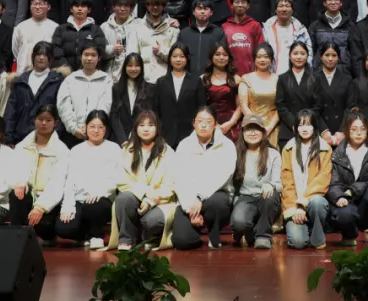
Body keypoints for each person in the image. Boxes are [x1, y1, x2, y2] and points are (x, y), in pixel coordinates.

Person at [109, 110, 177, 251]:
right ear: (136, 128)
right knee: (123, 198)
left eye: (150, 125)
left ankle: (148, 235)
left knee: (152, 221)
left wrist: (150, 200)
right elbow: (121, 181)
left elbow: (171, 185)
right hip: (136, 196)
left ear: (157, 128)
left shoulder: (168, 152)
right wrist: (145, 193)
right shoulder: (127, 151)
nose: (146, 129)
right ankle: (127, 239)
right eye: (142, 125)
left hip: (160, 201)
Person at [172, 106, 236, 250]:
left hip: (215, 196)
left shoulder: (227, 145)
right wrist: (190, 208)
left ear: (215, 124)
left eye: (208, 121)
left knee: (217, 203)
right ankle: (195, 230)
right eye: (200, 121)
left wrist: (200, 197)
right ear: (193, 123)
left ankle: (214, 233)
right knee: (182, 242)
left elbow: (223, 176)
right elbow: (179, 178)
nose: (203, 125)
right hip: (189, 199)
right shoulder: (184, 145)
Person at [57, 110, 120, 250]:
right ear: (85, 127)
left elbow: (118, 177)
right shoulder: (76, 150)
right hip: (80, 199)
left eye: (100, 127)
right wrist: (68, 206)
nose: (96, 130)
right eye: (92, 126)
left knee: (94, 206)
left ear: (106, 129)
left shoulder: (114, 149)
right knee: (63, 229)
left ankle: (97, 235)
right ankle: (85, 235)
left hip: (102, 199)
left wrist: (101, 192)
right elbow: (70, 181)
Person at [327, 110, 368, 248]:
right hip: (346, 201)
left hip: (367, 204)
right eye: (354, 129)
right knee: (344, 216)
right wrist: (339, 196)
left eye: (362, 129)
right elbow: (333, 183)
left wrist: (354, 190)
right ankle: (349, 235)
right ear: (347, 131)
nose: (359, 133)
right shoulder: (337, 153)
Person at [11, 104, 70, 245]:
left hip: (48, 203)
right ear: (34, 120)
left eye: (48, 120)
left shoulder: (62, 151)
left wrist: (40, 207)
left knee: (44, 226)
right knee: (16, 194)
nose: (43, 123)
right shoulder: (22, 146)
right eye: (40, 119)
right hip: (28, 197)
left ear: (55, 123)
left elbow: (57, 183)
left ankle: (42, 236)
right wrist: (20, 182)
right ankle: (18, 237)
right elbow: (14, 171)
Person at [281, 110, 333, 249]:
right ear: (295, 128)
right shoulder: (288, 149)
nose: (305, 129)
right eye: (301, 125)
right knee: (297, 242)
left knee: (317, 202)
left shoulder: (325, 148)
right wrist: (295, 208)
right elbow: (287, 182)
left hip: (313, 202)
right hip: (294, 205)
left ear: (315, 127)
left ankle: (317, 236)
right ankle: (305, 228)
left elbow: (322, 180)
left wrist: (303, 204)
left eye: (309, 125)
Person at [230, 115, 283, 250]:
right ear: (242, 132)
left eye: (256, 129)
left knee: (270, 196)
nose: (252, 133)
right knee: (239, 222)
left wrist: (270, 185)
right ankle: (250, 233)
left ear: (263, 132)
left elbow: (279, 184)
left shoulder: (273, 154)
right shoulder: (235, 154)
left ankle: (263, 236)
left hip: (266, 198)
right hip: (245, 197)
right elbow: (231, 184)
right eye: (248, 129)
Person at [5, 42, 64, 144]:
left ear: (50, 58)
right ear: (33, 57)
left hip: (47, 139)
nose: (41, 58)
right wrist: (8, 137)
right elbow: (11, 111)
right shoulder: (20, 81)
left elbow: (61, 112)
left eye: (45, 55)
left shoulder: (57, 81)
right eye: (38, 54)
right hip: (20, 138)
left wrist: (56, 136)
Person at [152, 43, 208, 148]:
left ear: (187, 58)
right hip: (165, 135)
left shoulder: (196, 81)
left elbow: (201, 108)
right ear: (169, 58)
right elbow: (156, 110)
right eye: (174, 56)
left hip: (190, 134)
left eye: (182, 56)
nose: (178, 59)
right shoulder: (161, 82)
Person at [57, 43, 112, 147]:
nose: (89, 58)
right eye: (86, 55)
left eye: (93, 55)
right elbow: (63, 105)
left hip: (97, 134)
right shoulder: (70, 80)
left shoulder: (106, 80)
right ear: (80, 56)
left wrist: (92, 127)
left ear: (99, 58)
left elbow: (106, 105)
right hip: (72, 135)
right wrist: (74, 128)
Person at [51, 0, 111, 72]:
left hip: (89, 71)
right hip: (65, 71)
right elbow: (56, 50)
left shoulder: (96, 30)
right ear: (71, 9)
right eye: (76, 6)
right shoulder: (61, 29)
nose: (79, 9)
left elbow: (100, 51)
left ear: (89, 10)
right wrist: (66, 68)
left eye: (83, 6)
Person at [275, 42, 317, 149]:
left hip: (310, 127)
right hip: (288, 128)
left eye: (302, 53)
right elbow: (281, 106)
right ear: (290, 56)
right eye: (295, 53)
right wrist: (294, 123)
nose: (299, 57)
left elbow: (318, 105)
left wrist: (305, 122)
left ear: (307, 56)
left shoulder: (315, 78)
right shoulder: (282, 78)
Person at [133, 0, 179, 83]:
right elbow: (132, 54)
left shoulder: (173, 27)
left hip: (165, 78)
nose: (155, 7)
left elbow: (176, 56)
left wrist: (161, 51)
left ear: (163, 6)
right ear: (147, 6)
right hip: (143, 78)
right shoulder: (137, 26)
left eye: (158, 4)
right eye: (152, 4)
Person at [239, 43, 280, 145]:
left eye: (266, 57)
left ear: (271, 59)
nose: (262, 60)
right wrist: (256, 125)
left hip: (273, 127)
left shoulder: (278, 79)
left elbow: (281, 106)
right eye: (259, 57)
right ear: (254, 59)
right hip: (251, 126)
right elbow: (243, 106)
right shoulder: (246, 78)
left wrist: (269, 127)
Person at [313, 43, 352, 146]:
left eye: (334, 55)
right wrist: (324, 131)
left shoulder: (347, 79)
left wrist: (342, 131)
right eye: (327, 55)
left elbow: (350, 107)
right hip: (320, 131)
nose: (330, 59)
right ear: (321, 57)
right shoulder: (313, 79)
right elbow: (312, 108)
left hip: (341, 132)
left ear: (338, 57)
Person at [110, 54, 153, 144]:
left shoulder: (150, 89)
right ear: (124, 67)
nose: (133, 69)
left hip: (142, 138)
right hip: (120, 139)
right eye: (130, 65)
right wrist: (122, 139)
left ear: (141, 67)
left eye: (137, 65)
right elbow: (114, 116)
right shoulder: (116, 88)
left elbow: (151, 115)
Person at [13, 0, 59, 74]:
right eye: (34, 4)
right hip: (23, 72)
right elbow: (15, 50)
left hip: (47, 74)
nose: (37, 7)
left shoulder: (55, 28)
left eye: (41, 4)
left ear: (49, 7)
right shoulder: (20, 27)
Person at [264, 0, 313, 74]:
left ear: (292, 10)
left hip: (295, 74)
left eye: (287, 6)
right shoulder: (267, 30)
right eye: (281, 6)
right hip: (272, 74)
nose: (284, 9)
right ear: (276, 10)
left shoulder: (300, 30)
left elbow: (309, 53)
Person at [204, 43, 242, 139]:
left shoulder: (236, 79)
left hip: (231, 125)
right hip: (209, 124)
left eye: (225, 55)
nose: (221, 58)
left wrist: (230, 123)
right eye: (217, 54)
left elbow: (240, 105)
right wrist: (213, 124)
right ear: (211, 57)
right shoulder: (203, 79)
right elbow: (201, 106)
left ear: (229, 58)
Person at [222, 0, 265, 75]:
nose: (240, 5)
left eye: (243, 2)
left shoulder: (255, 25)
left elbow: (260, 50)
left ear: (248, 6)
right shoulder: (225, 26)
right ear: (231, 5)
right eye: (237, 2)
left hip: (251, 73)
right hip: (229, 73)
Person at [308, 0, 353, 69]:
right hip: (319, 70)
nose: (333, 2)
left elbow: (354, 51)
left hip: (344, 70)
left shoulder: (350, 25)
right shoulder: (315, 26)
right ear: (324, 3)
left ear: (341, 3)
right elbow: (310, 50)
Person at [178, 0, 225, 75]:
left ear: (211, 12)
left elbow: (223, 57)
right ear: (193, 12)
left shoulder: (219, 33)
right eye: (199, 8)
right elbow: (178, 56)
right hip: (188, 77)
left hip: (211, 77)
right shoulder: (184, 33)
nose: (202, 11)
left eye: (205, 9)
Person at [103, 0, 141, 82]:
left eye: (126, 6)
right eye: (119, 5)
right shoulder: (104, 27)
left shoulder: (140, 24)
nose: (122, 9)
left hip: (134, 73)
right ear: (113, 7)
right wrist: (112, 49)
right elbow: (99, 52)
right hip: (110, 75)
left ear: (131, 8)